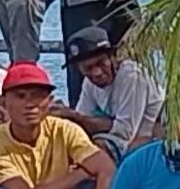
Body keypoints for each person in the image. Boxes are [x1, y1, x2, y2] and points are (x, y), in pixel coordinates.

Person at [52, 26, 163, 161]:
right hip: (124, 143)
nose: (97, 73)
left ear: (113, 57)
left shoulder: (132, 76)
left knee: (94, 152)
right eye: (88, 68)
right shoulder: (89, 83)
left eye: (101, 63)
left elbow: (124, 132)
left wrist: (76, 116)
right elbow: (82, 123)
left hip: (149, 143)